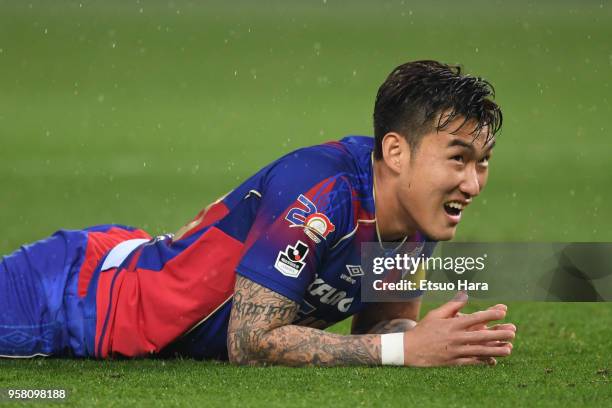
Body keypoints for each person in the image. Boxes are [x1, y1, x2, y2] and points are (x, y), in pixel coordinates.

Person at [0, 60, 516, 366]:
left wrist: (437, 341)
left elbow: (378, 330)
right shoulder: (322, 191)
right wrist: (405, 352)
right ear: (398, 152)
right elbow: (250, 342)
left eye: (483, 163)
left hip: (123, 266)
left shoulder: (417, 216)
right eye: (458, 159)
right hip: (70, 300)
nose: (472, 184)